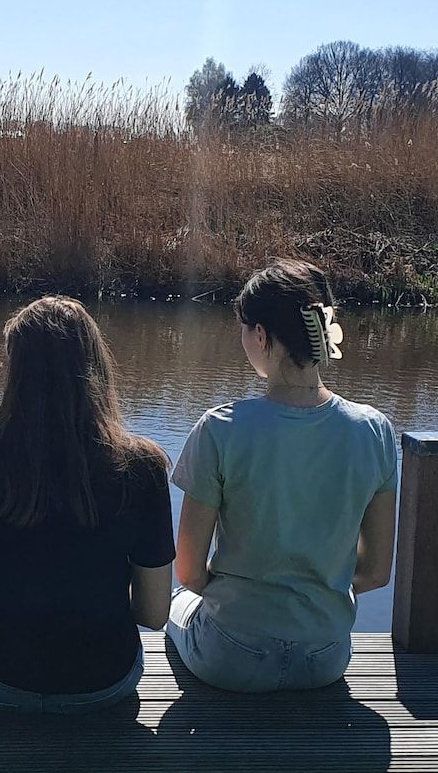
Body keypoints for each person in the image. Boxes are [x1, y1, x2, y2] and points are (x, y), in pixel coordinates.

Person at [0, 297, 173, 712]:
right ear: (97, 367)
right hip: (104, 683)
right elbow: (153, 614)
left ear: (14, 373)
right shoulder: (143, 469)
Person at [168, 259, 398, 692]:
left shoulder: (220, 428)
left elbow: (189, 572)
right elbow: (375, 572)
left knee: (177, 602)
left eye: (243, 329)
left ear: (260, 335)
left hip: (232, 655)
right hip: (325, 658)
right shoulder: (374, 430)